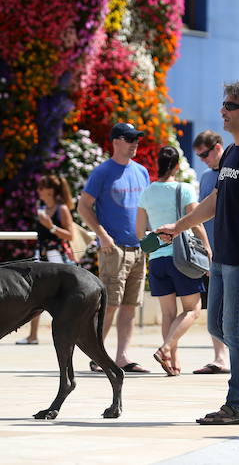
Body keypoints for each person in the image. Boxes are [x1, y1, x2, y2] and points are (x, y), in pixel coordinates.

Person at [157, 80, 239, 426]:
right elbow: (215, 201)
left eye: (230, 106)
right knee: (218, 326)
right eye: (224, 104)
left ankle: (238, 405)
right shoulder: (232, 152)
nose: (223, 111)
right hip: (221, 257)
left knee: (238, 329)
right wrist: (179, 226)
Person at [78, 122, 151, 374]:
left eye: (137, 140)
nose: (135, 144)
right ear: (116, 142)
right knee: (110, 304)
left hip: (139, 247)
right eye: (130, 139)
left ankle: (122, 356)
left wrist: (149, 236)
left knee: (131, 304)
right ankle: (98, 355)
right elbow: (83, 206)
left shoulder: (141, 171)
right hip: (114, 248)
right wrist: (102, 235)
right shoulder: (103, 172)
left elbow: (144, 208)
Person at [136, 146, 210, 375]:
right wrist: (208, 248)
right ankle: (166, 348)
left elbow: (140, 232)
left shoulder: (146, 192)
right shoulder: (184, 189)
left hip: (157, 260)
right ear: (177, 166)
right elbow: (196, 223)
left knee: (168, 314)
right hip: (182, 258)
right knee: (193, 310)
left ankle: (172, 361)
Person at [16, 174, 76, 345]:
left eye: (41, 188)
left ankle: (68, 332)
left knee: (62, 296)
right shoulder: (41, 206)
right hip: (41, 255)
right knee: (36, 294)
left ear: (50, 190)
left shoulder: (61, 209)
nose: (38, 191)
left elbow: (70, 235)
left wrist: (52, 226)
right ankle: (33, 335)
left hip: (57, 256)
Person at [190, 130, 230, 374]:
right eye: (199, 155)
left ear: (217, 147)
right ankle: (220, 358)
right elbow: (201, 216)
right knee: (214, 309)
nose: (202, 159)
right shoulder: (206, 177)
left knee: (235, 309)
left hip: (233, 250)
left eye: (204, 154)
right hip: (212, 252)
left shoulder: (233, 173)